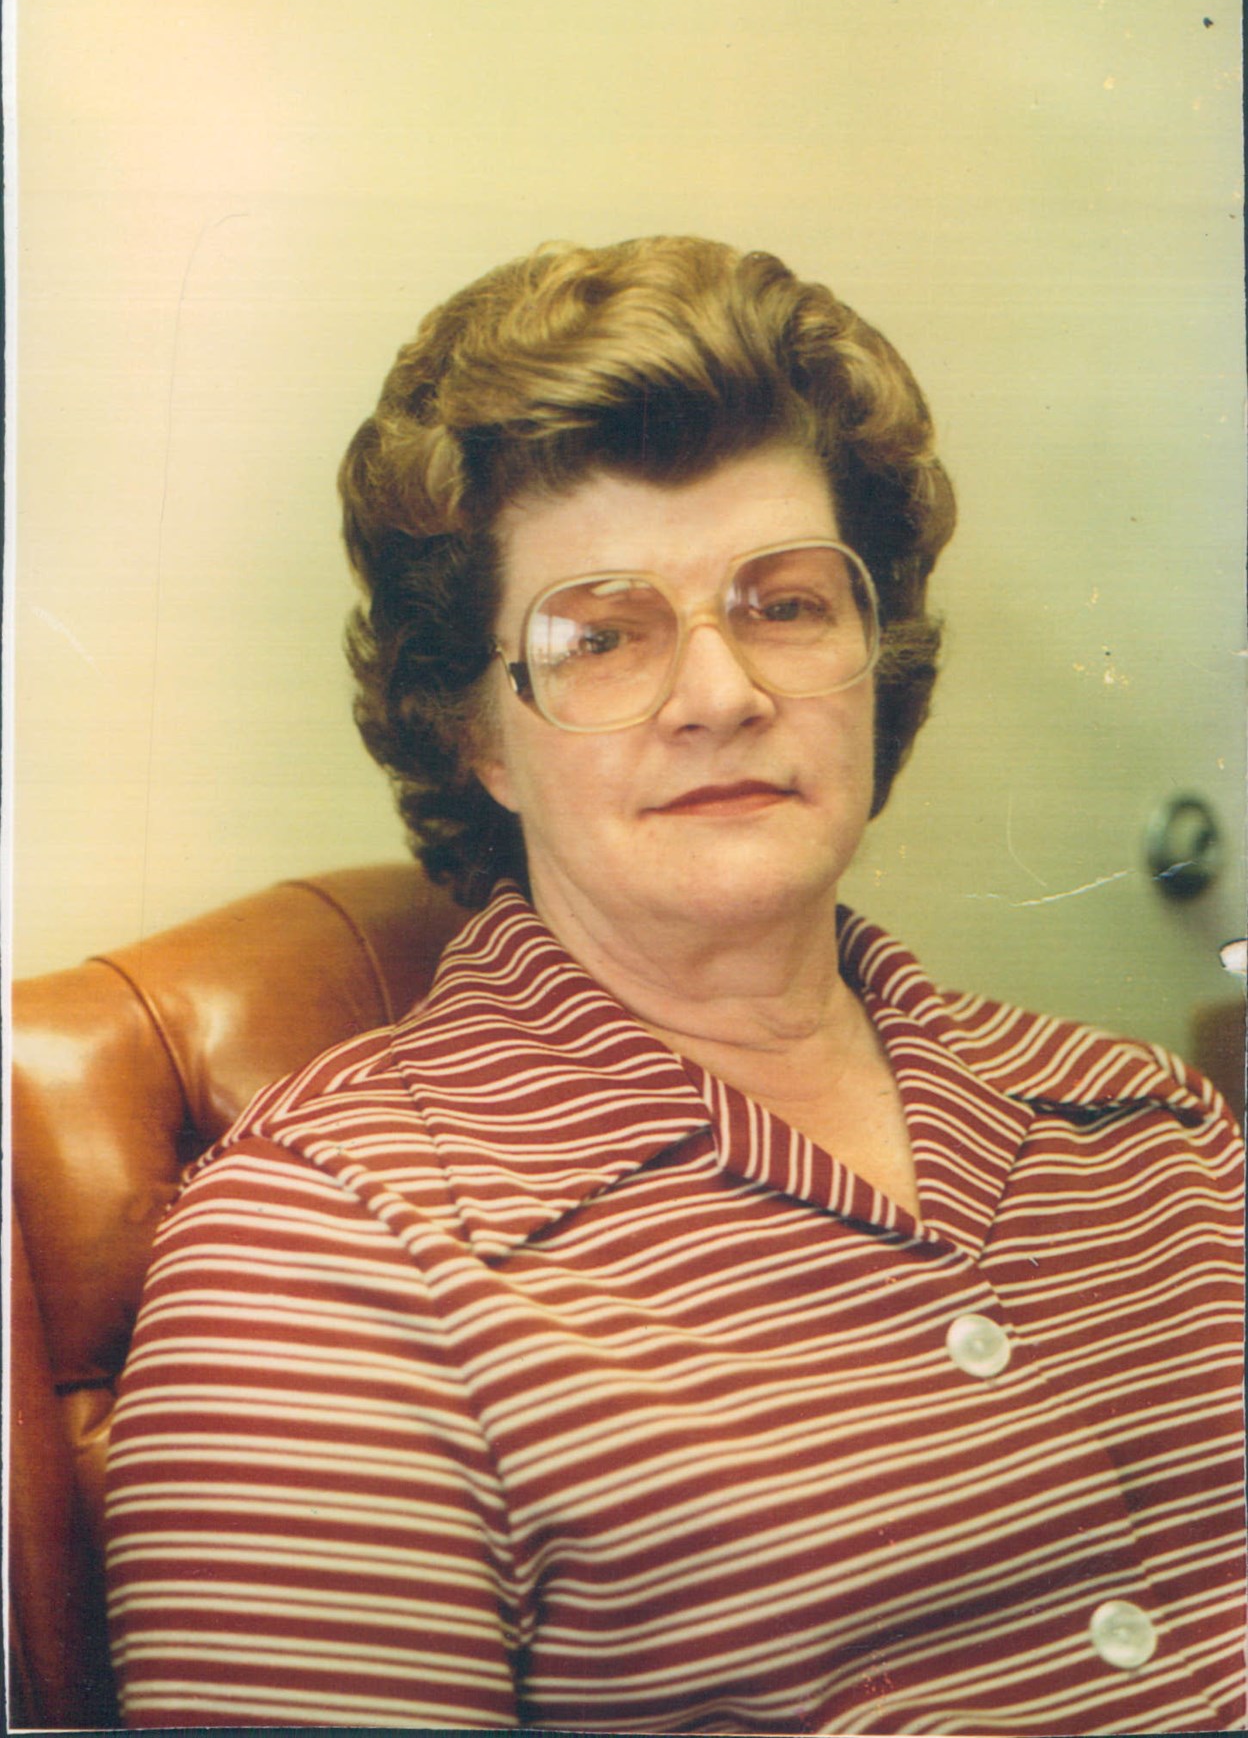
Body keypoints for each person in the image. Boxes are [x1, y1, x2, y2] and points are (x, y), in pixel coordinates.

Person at [104, 236, 1244, 1734]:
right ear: (476, 731)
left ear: (876, 655)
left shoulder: (1151, 1124)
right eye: (601, 636)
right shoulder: (332, 1261)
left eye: (788, 605)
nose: (722, 693)